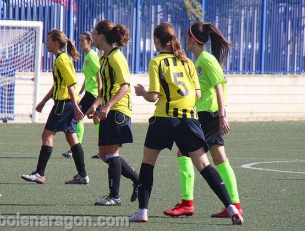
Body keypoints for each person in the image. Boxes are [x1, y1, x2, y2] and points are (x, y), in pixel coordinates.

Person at [129, 22, 243, 225]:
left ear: (157, 41)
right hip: (189, 119)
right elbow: (197, 93)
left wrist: (142, 92)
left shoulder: (157, 62)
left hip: (164, 118)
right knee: (204, 165)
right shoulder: (187, 62)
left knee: (148, 163)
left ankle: (143, 211)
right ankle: (232, 207)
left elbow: (154, 96)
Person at [163, 22, 243, 218]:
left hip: (209, 116)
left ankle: (187, 203)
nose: (184, 40)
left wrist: (222, 115)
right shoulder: (200, 60)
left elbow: (219, 86)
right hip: (207, 115)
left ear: (192, 39)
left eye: (186, 36)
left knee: (183, 153)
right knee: (219, 159)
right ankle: (235, 205)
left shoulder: (206, 60)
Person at [21, 28, 89, 185]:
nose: (46, 43)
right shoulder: (60, 59)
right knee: (71, 137)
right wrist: (43, 102)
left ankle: (39, 173)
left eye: (49, 40)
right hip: (66, 103)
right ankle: (82, 175)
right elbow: (58, 84)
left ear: (56, 42)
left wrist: (75, 106)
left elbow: (71, 84)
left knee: (47, 135)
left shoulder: (62, 60)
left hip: (64, 104)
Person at [86, 20, 139, 206]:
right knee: (103, 153)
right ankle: (136, 178)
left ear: (101, 36)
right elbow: (105, 88)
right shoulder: (103, 57)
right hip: (108, 108)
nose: (92, 36)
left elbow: (125, 86)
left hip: (118, 110)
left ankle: (114, 196)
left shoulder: (117, 57)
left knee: (111, 153)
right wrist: (96, 104)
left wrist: (107, 106)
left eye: (94, 33)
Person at [61, 31, 101, 159]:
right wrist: (81, 91)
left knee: (77, 116)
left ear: (90, 42)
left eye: (83, 40)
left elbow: (99, 74)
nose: (80, 43)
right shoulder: (88, 56)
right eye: (79, 40)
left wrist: (100, 92)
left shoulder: (92, 56)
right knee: (96, 119)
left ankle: (75, 149)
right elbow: (89, 76)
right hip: (90, 92)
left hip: (93, 93)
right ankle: (103, 149)